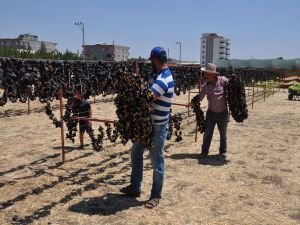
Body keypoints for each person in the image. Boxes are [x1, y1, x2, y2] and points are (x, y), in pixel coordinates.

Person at [120, 47, 174, 209]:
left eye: (151, 59)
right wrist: (135, 78)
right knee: (136, 152)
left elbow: (146, 97)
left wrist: (130, 83)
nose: (150, 62)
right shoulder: (156, 76)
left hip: (158, 126)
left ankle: (156, 195)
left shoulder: (164, 79)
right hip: (147, 125)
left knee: (156, 160)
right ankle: (135, 187)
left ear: (155, 59)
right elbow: (145, 87)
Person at [187, 63, 229, 160]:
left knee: (223, 134)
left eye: (208, 74)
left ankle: (222, 152)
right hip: (211, 114)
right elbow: (200, 97)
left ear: (214, 74)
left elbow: (233, 86)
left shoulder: (223, 81)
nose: (206, 76)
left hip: (223, 113)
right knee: (207, 134)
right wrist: (190, 103)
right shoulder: (205, 86)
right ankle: (204, 152)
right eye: (205, 74)